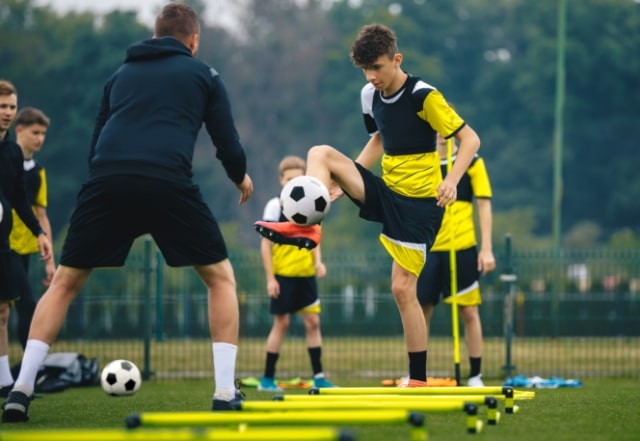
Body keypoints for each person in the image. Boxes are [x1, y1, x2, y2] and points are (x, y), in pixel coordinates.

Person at [2, 3, 253, 423]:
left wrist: (104, 183)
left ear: (155, 37)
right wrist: (240, 177)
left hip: (108, 179)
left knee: (63, 283)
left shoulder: (119, 75)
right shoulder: (204, 74)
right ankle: (225, 393)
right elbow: (225, 138)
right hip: (167, 180)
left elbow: (97, 139)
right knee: (220, 278)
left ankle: (19, 391)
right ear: (193, 40)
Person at [255, 24, 481, 387]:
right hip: (387, 191)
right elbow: (379, 138)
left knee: (403, 289)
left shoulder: (424, 96)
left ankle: (418, 380)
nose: (371, 76)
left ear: (397, 59)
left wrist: (451, 179)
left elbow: (470, 139)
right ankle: (306, 227)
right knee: (320, 153)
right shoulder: (368, 94)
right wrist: (351, 179)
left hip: (421, 206)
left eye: (377, 67)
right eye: (365, 69)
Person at [417, 132, 495, 387]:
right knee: (420, 310)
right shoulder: (421, 162)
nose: (440, 133)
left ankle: (475, 375)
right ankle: (416, 373)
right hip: (428, 248)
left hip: (462, 246)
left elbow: (484, 204)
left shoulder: (472, 161)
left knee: (469, 311)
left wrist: (486, 248)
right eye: (435, 127)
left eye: (445, 127)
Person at [258, 155, 335, 392]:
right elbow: (265, 244)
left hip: (306, 276)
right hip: (284, 276)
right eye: (290, 178)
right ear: (282, 180)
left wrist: (318, 263)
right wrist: (270, 279)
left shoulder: (311, 205)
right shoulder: (274, 205)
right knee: (281, 323)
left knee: (313, 323)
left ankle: (319, 377)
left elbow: (315, 237)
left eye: (299, 178)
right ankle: (267, 379)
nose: (294, 182)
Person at [0, 80, 53, 399]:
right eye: (2, 106)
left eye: (10, 106)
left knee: (3, 310)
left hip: (3, 243)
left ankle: (5, 380)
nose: (6, 112)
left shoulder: (12, 153)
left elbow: (20, 200)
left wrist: (40, 233)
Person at [9, 108, 56, 354]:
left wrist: (51, 262)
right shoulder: (6, 161)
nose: (40, 138)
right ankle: (29, 372)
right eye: (35, 132)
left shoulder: (38, 171)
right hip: (5, 245)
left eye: (43, 133)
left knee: (15, 307)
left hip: (26, 247)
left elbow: (41, 214)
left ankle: (18, 374)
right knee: (26, 303)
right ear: (19, 130)